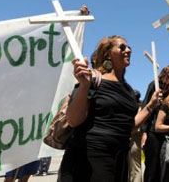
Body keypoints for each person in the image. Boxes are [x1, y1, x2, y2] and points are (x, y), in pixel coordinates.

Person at [58, 35, 161, 182]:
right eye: (122, 47)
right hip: (89, 160)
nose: (128, 50)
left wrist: (150, 106)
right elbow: (73, 120)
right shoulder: (93, 80)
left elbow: (129, 127)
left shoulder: (129, 90)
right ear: (108, 54)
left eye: (129, 47)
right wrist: (84, 87)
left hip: (119, 160)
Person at [141, 66, 169, 182]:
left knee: (165, 168)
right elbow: (145, 106)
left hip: (167, 132)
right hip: (153, 131)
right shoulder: (154, 85)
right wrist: (144, 132)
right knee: (152, 167)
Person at [128, 89, 143, 182]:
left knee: (134, 169)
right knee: (136, 167)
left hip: (132, 138)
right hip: (137, 138)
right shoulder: (142, 108)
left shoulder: (131, 107)